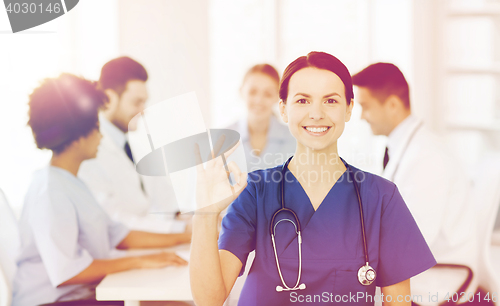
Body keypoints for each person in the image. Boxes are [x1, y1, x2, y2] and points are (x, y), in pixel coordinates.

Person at [190, 52, 436, 306]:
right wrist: (205, 214)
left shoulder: (382, 198)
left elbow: (397, 303)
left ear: (349, 109)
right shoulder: (255, 191)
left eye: (330, 100)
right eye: (302, 100)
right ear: (284, 110)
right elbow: (209, 300)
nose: (316, 113)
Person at [12, 74, 190, 306]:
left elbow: (119, 235)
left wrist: (187, 236)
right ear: (76, 138)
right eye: (96, 127)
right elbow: (68, 272)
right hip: (55, 302)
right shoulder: (50, 191)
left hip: (81, 295)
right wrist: (141, 261)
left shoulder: (73, 183)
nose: (101, 135)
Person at [352, 63, 477, 303]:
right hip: (424, 269)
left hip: (439, 278)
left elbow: (412, 241)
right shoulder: (407, 148)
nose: (361, 116)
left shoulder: (426, 157)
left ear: (392, 105)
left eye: (365, 107)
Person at [79, 57, 184, 233]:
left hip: (152, 246)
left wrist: (195, 219)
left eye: (144, 102)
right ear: (109, 98)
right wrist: (180, 229)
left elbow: (167, 203)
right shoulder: (89, 154)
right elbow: (114, 221)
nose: (143, 111)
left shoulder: (134, 147)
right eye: (137, 102)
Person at [227, 64, 296, 172]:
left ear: (278, 96)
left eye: (268, 94)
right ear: (241, 91)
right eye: (253, 92)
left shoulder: (294, 139)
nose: (259, 100)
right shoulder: (222, 140)